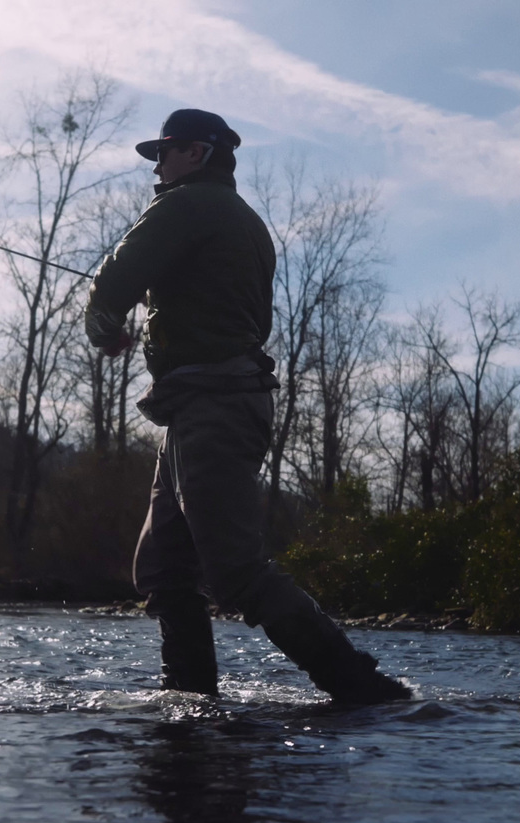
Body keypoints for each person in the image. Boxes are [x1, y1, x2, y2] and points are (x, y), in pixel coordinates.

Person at [84, 108, 410, 704]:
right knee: (162, 569)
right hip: (209, 406)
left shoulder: (185, 206)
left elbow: (114, 282)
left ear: (198, 154)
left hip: (213, 408)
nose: (157, 163)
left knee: (233, 569)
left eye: (167, 150)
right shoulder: (245, 221)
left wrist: (105, 326)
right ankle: (189, 697)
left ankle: (360, 686)